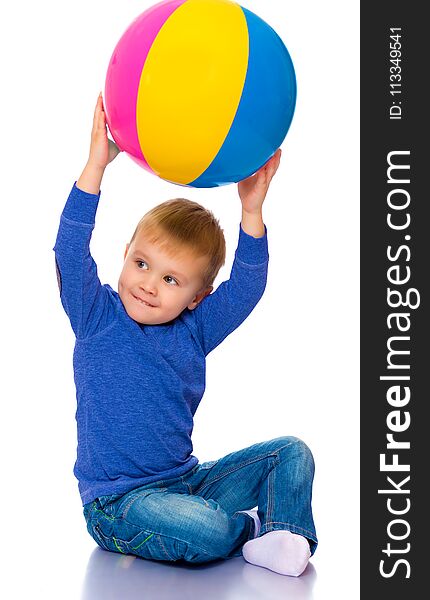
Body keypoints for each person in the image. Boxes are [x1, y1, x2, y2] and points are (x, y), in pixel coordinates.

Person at [53, 93, 317, 577]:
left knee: (291, 452)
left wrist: (252, 211)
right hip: (119, 505)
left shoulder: (194, 331)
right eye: (142, 264)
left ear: (197, 296)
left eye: (172, 280)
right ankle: (250, 532)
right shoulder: (96, 316)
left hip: (187, 483)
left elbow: (246, 289)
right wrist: (96, 168)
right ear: (125, 254)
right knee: (206, 532)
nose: (149, 284)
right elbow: (69, 252)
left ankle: (284, 531)